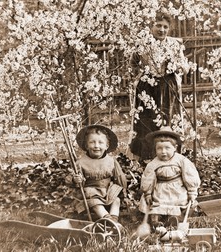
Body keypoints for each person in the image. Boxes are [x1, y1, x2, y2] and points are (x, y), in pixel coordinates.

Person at [129, 11, 191, 161]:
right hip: (146, 88)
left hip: (167, 87)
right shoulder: (142, 44)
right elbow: (132, 65)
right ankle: (146, 157)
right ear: (151, 26)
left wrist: (176, 67)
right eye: (158, 25)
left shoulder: (174, 45)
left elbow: (185, 67)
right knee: (147, 119)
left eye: (165, 27)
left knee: (167, 118)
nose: (161, 30)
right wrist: (140, 75)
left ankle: (171, 155)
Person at [139, 126, 200, 228]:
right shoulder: (153, 164)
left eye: (167, 148)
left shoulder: (181, 160)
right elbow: (148, 179)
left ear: (174, 148)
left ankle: (174, 219)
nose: (163, 152)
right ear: (155, 149)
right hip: (160, 191)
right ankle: (156, 222)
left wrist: (192, 192)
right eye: (159, 148)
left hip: (177, 191)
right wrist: (148, 194)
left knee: (178, 204)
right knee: (157, 205)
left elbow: (190, 176)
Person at [72, 125, 127, 222]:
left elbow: (119, 178)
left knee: (116, 200)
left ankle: (114, 219)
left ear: (106, 146)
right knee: (96, 203)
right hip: (91, 193)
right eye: (92, 142)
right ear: (86, 145)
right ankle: (107, 219)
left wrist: (123, 191)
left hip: (108, 192)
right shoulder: (81, 162)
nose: (96, 146)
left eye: (100, 142)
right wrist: (76, 180)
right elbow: (76, 181)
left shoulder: (111, 161)